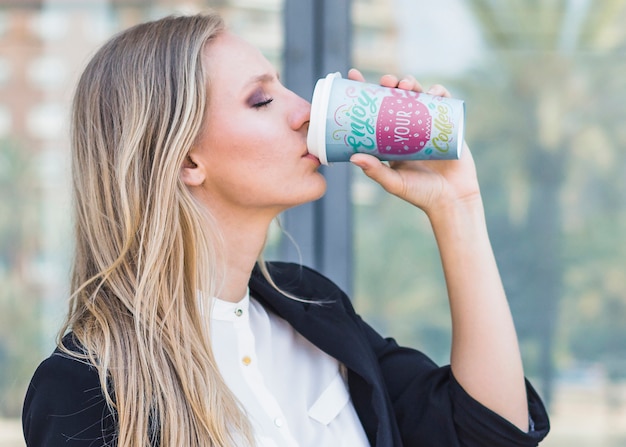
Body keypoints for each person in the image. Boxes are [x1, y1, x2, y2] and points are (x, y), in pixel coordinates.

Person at [21, 11, 549, 447]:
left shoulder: (314, 311)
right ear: (186, 160)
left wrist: (457, 207)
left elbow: (491, 434)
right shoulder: (84, 390)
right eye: (262, 100)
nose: (305, 111)